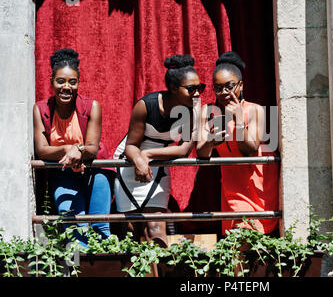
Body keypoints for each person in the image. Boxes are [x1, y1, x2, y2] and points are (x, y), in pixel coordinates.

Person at [113, 54, 203, 247]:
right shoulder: (146, 105)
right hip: (129, 161)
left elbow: (185, 149)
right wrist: (139, 159)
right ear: (172, 88)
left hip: (158, 162)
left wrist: (149, 155)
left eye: (199, 88)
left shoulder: (191, 111)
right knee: (131, 232)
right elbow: (131, 146)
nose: (197, 94)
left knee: (156, 231)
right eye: (191, 89)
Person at [33, 48, 113, 246]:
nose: (66, 87)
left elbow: (92, 148)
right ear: (52, 81)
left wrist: (80, 150)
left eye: (72, 82)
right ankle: (78, 270)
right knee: (74, 227)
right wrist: (70, 148)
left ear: (78, 83)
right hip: (63, 172)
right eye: (61, 81)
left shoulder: (92, 106)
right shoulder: (41, 109)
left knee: (99, 227)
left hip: (96, 170)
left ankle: (102, 269)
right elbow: (42, 150)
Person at [196, 51, 279, 236]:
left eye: (229, 86)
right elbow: (201, 153)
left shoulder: (254, 110)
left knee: (247, 243)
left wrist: (239, 120)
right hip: (231, 186)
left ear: (240, 85)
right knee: (238, 239)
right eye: (218, 88)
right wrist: (210, 142)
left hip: (256, 184)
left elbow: (249, 149)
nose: (224, 92)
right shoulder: (207, 112)